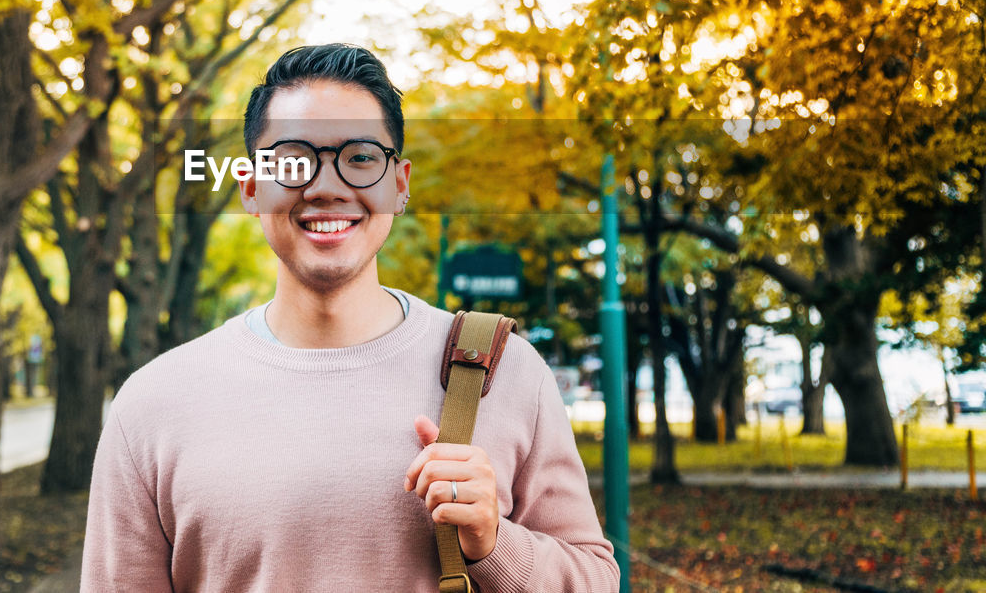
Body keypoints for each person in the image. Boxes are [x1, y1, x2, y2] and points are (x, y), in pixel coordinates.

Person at [82, 44, 619, 592]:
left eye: (360, 157)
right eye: (293, 161)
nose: (326, 186)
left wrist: (494, 544)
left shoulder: (504, 373)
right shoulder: (154, 404)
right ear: (250, 187)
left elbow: (596, 580)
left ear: (400, 185)